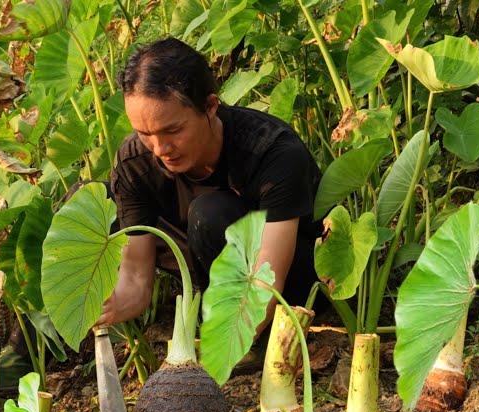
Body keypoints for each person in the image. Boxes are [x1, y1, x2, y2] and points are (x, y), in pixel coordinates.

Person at [98, 37, 323, 328]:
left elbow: (269, 279)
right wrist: (107, 307)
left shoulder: (272, 152)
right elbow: (136, 278)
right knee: (96, 201)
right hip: (204, 266)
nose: (159, 148)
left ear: (211, 106)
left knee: (210, 214)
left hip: (290, 282)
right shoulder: (136, 163)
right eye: (144, 133)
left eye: (173, 130)